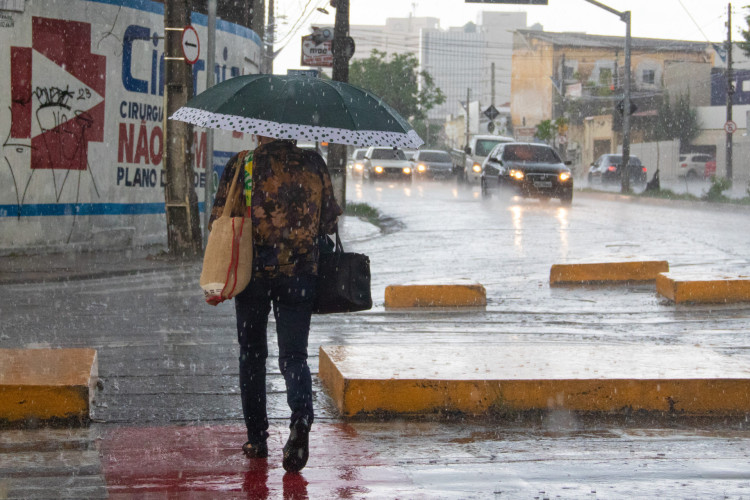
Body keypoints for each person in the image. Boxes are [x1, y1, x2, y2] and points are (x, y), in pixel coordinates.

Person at [209, 135, 342, 473]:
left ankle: (257, 438)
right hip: (300, 274)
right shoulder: (313, 163)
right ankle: (300, 420)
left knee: (252, 354)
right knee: (294, 355)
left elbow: (220, 216)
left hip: (252, 273)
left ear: (259, 130)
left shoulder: (244, 163)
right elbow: (329, 222)